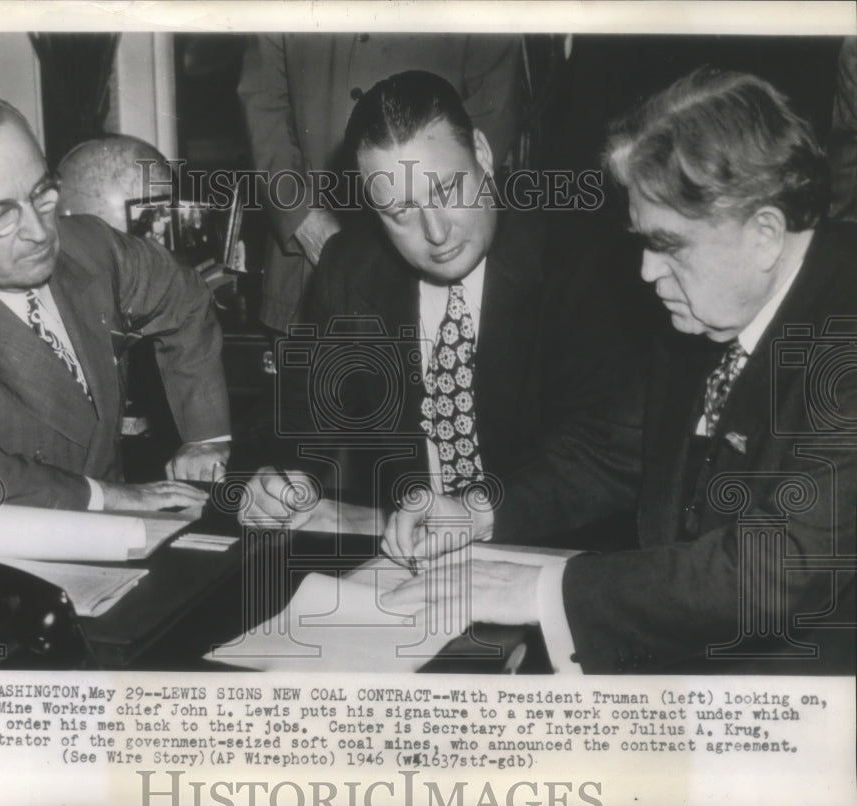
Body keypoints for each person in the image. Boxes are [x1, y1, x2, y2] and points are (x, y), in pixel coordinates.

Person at [386, 69, 857, 674]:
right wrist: (478, 509)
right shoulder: (709, 312)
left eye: (668, 245)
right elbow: (615, 451)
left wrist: (541, 592)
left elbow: (775, 570)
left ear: (765, 234)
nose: (646, 271)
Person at [240, 71, 644, 546]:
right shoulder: (350, 269)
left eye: (447, 190)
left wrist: (474, 513)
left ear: (483, 153)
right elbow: (300, 420)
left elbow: (611, 450)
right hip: (413, 559)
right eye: (401, 212)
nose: (435, 232)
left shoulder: (580, 258)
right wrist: (278, 479)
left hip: (556, 553)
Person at [0, 95, 231, 514]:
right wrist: (110, 497)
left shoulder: (91, 247)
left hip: (122, 528)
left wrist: (205, 436)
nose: (39, 231)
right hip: (10, 544)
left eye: (42, 194)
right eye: (2, 216)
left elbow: (184, 298)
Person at [237, 34, 522, 334]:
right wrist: (303, 220)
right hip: (309, 257)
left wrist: (438, 205)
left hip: (451, 264)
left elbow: (494, 98)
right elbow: (262, 101)